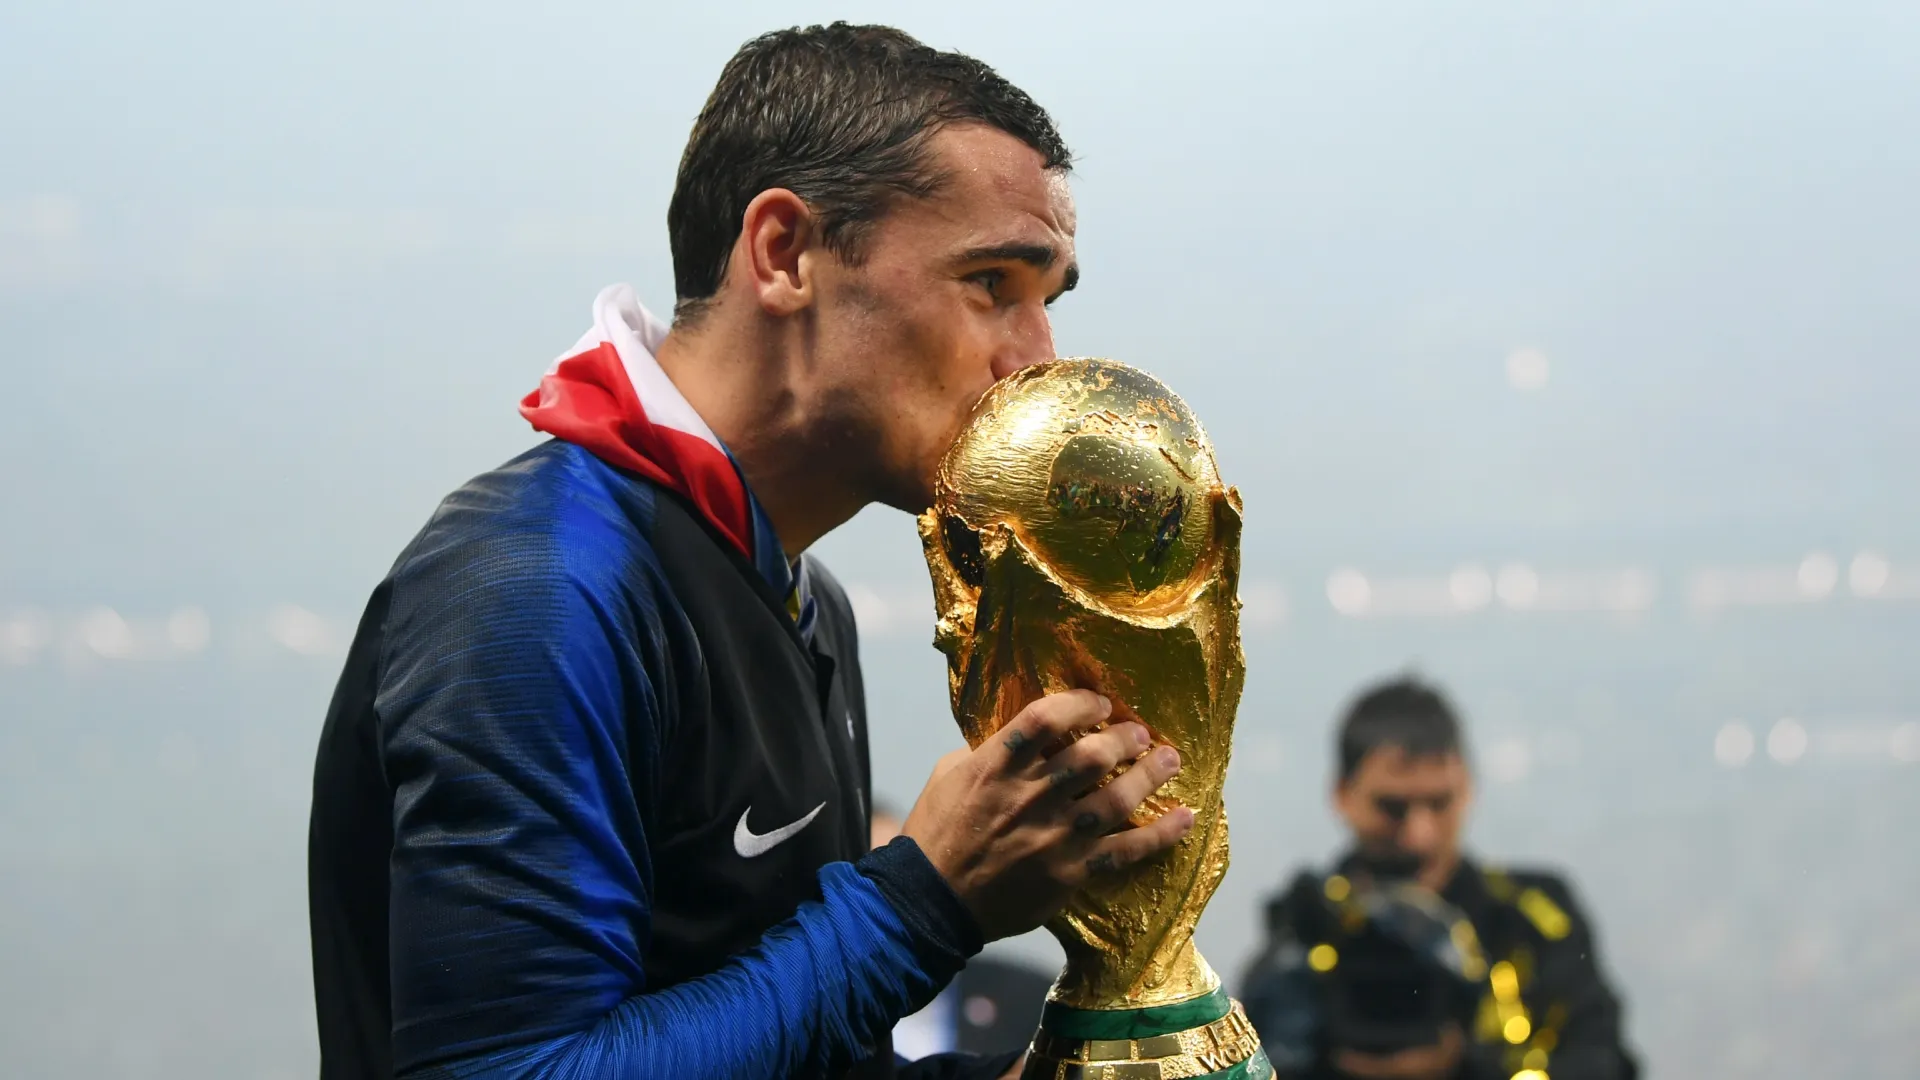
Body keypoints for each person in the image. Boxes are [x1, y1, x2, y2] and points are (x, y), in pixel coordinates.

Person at [306, 23, 1196, 1080]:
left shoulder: (806, 598)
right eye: (993, 283)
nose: (1038, 363)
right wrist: (927, 900)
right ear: (783, 254)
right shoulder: (537, 588)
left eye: (1050, 304)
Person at [1239, 677, 1637, 1080]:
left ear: (1468, 788)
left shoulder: (1535, 922)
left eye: (1439, 802)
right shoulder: (1304, 936)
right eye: (1393, 807)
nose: (1419, 834)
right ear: (1343, 794)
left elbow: (1603, 1061)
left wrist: (1469, 1066)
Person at [868, 802, 1056, 1062]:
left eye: (912, 870)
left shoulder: (1030, 1001)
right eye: (876, 885)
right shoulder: (811, 1027)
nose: (906, 895)